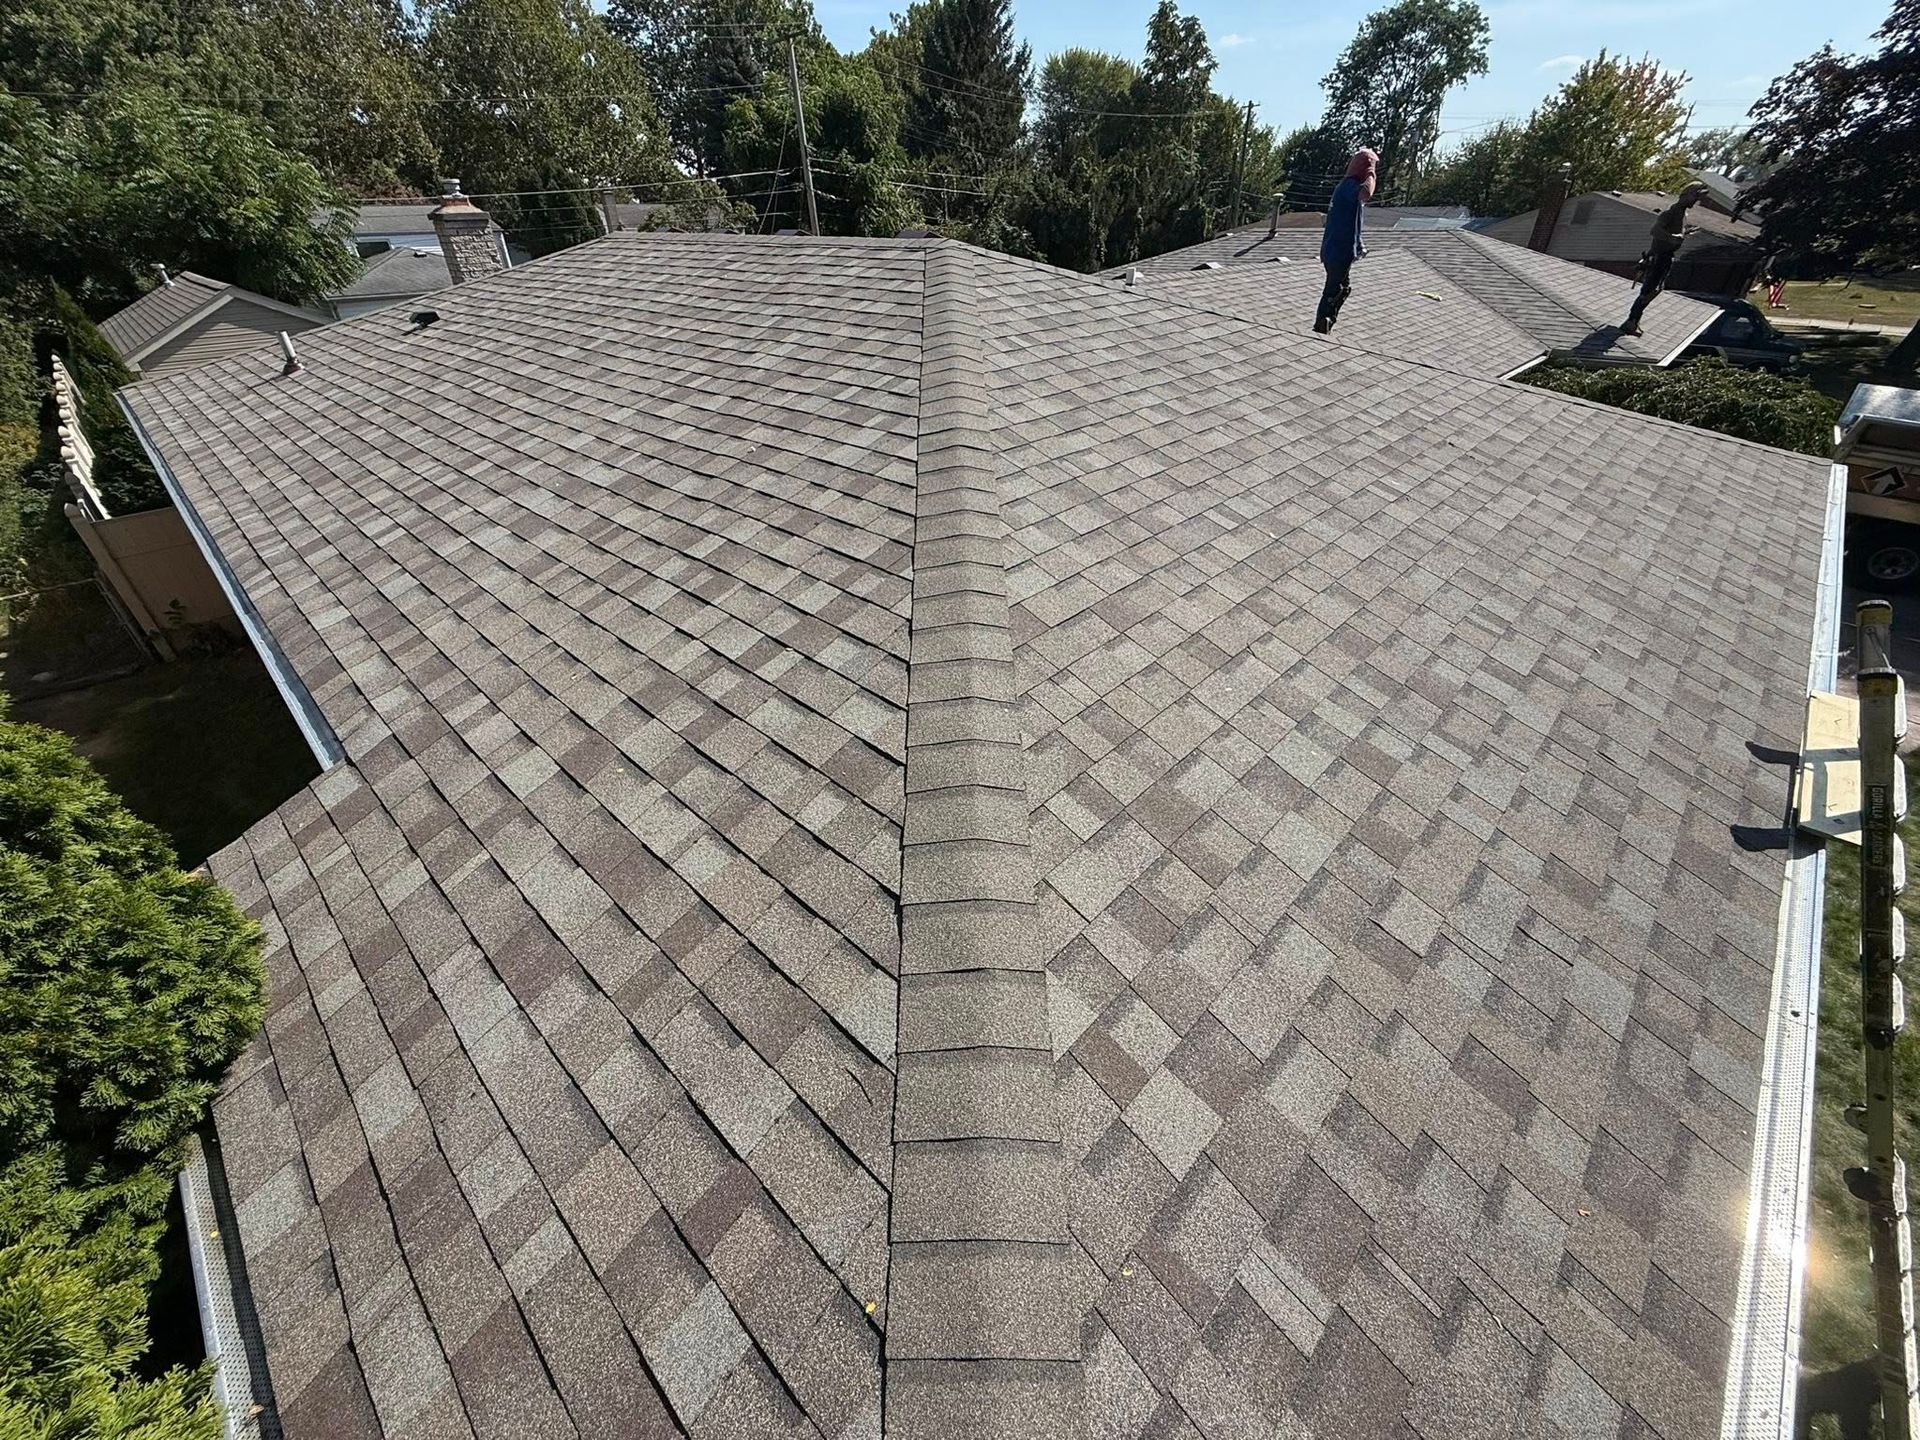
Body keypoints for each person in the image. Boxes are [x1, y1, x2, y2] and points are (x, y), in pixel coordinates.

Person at [1623, 181, 1709, 335]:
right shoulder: (1670, 213)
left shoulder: (1683, 215)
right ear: (1685, 195)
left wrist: (1684, 233)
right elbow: (1655, 231)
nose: (1695, 201)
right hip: (1659, 257)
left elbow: (1676, 234)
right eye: (1694, 197)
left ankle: (1634, 320)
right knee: (1649, 290)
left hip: (1667, 257)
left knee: (1656, 290)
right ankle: (1631, 321)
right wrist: (1674, 238)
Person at [1315, 148, 1377, 334]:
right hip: (1338, 250)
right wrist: (1371, 172)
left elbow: (1352, 222)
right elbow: (1367, 192)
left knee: (1342, 288)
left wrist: (1359, 245)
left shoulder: (1347, 187)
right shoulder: (1350, 186)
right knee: (1334, 290)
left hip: (1339, 248)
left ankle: (1326, 322)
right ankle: (1322, 325)